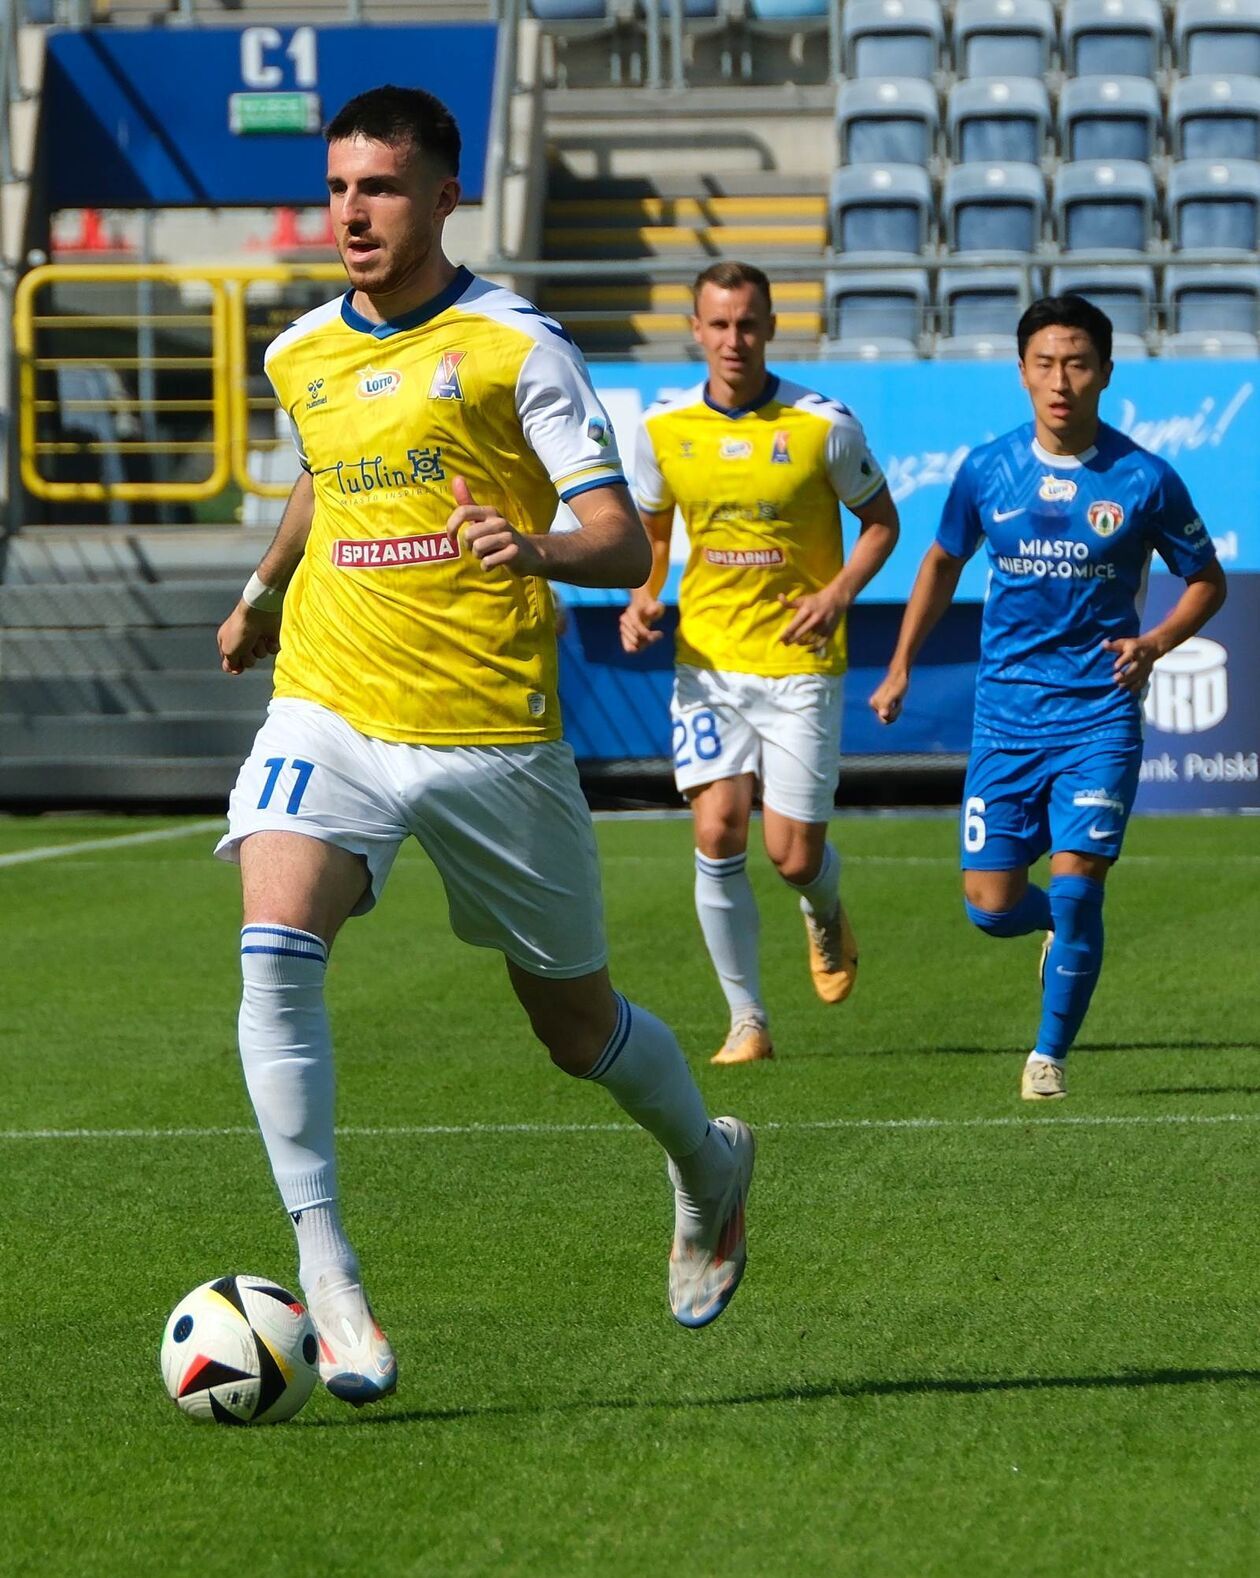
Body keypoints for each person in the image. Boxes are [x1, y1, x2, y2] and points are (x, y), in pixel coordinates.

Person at [214, 85, 755, 1406]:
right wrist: (265, 588)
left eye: (382, 186)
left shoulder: (518, 350)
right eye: (340, 185)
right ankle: (327, 1274)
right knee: (274, 941)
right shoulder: (300, 353)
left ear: (448, 196)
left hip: (486, 733)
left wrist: (539, 546)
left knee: (573, 1024)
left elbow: (623, 537)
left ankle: (706, 1158)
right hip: (329, 701)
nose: (353, 209)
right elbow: (324, 468)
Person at [870, 295, 1227, 1100]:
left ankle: (1047, 1058)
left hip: (1098, 715)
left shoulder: (1144, 478)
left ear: (1104, 372)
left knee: (1076, 883)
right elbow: (939, 564)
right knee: (992, 908)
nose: (1060, 380)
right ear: (1022, 372)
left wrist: (1155, 644)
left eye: (1077, 363)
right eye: (1044, 363)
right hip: (1005, 717)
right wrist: (899, 668)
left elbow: (1205, 581)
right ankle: (1056, 931)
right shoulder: (987, 470)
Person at [619, 262, 900, 1065]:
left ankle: (825, 908)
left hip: (801, 664)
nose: (733, 339)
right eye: (719, 324)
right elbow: (653, 533)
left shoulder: (821, 425)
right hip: (706, 663)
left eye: (748, 324)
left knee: (793, 856)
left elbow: (881, 522)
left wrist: (839, 593)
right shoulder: (664, 427)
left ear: (771, 327)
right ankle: (747, 1021)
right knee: (715, 829)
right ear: (696, 331)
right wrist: (643, 596)